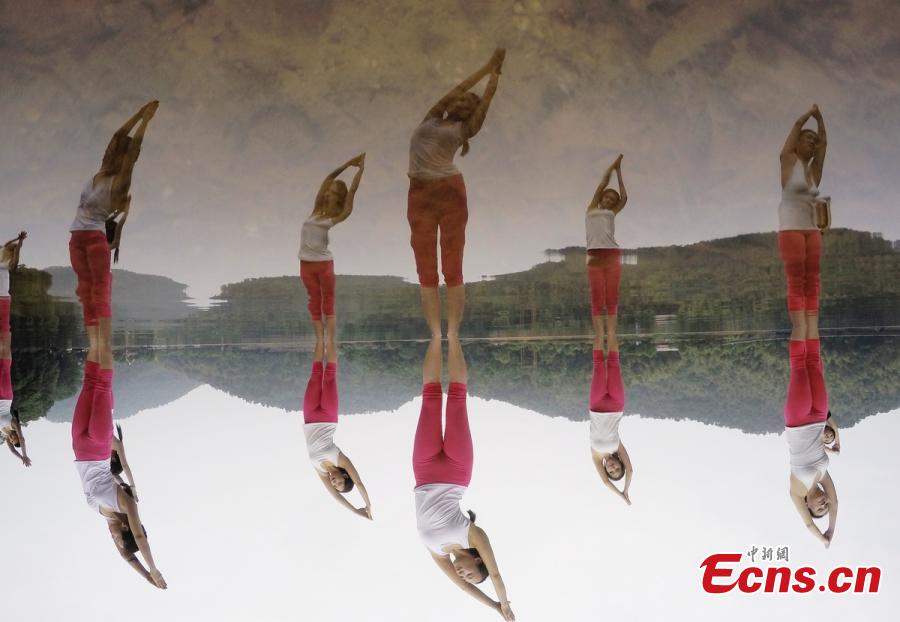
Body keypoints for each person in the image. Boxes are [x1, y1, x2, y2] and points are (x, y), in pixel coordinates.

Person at [413, 321, 514, 620]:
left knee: (431, 398)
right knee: (456, 399)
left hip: (424, 472)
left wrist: (492, 608)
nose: (464, 576)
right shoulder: (473, 537)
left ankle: (434, 334)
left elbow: (463, 588)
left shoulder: (437, 553)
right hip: (457, 473)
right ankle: (453, 335)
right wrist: (505, 602)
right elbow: (495, 574)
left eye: (466, 578)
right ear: (477, 562)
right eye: (472, 575)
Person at [407, 48, 505, 338]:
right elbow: (460, 88)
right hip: (419, 193)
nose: (462, 100)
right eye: (461, 98)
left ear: (471, 113)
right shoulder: (432, 116)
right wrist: (486, 66)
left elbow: (487, 100)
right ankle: (436, 334)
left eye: (468, 103)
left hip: (449, 192)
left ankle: (453, 333)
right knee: (425, 267)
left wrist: (495, 76)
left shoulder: (466, 129)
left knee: (453, 266)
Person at [73, 366, 166, 587]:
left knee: (97, 381)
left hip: (85, 449)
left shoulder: (114, 517)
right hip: (93, 449)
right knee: (102, 382)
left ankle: (103, 349)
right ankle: (105, 346)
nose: (115, 540)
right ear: (127, 531)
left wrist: (150, 575)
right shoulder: (118, 510)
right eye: (119, 539)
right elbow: (134, 548)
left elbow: (129, 554)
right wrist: (151, 573)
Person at [299, 153, 366, 357]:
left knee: (327, 302)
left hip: (324, 264)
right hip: (306, 264)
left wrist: (360, 171)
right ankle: (320, 339)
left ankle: (331, 341)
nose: (328, 192)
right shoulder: (316, 210)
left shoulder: (338, 216)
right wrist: (348, 164)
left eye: (333, 191)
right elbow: (327, 179)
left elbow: (352, 191)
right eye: (328, 191)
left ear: (338, 197)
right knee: (314, 301)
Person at [778, 105, 827, 344]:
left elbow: (824, 146)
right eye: (808, 139)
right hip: (791, 227)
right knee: (796, 279)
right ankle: (799, 328)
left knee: (813, 279)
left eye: (814, 141)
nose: (812, 143)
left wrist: (821, 123)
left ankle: (812, 330)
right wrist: (810, 115)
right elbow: (797, 127)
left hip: (811, 229)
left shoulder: (813, 172)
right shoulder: (789, 162)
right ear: (797, 142)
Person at [302, 352, 372, 518]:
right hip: (328, 417)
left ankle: (319, 333)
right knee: (330, 375)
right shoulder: (341, 460)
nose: (334, 482)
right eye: (340, 482)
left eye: (335, 484)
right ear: (345, 476)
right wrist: (368, 504)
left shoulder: (320, 470)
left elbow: (335, 496)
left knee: (316, 372)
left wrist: (356, 511)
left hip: (310, 417)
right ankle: (331, 329)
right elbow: (359, 483)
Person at [784, 337, 838, 547]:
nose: (825, 505)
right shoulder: (823, 476)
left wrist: (823, 538)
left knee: (800, 364)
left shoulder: (797, 492)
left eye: (819, 509)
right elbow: (836, 503)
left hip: (797, 421)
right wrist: (832, 528)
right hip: (817, 418)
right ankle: (810, 308)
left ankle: (798, 311)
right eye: (826, 507)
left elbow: (808, 525)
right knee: (813, 361)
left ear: (808, 505)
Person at [585, 154, 627, 352]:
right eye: (608, 197)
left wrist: (620, 173)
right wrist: (612, 167)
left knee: (611, 297)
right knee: (596, 297)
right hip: (593, 254)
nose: (610, 199)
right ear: (601, 198)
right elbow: (602, 183)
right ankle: (599, 333)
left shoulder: (613, 213)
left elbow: (625, 197)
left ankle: (611, 333)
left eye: (613, 199)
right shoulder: (591, 208)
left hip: (611, 253)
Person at [0, 232, 30, 466]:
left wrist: (18, 455)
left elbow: (9, 446)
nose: (14, 439)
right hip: (5, 393)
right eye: (17, 440)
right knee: (4, 351)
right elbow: (18, 436)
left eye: (14, 441)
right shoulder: (12, 424)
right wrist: (25, 454)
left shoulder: (3, 433)